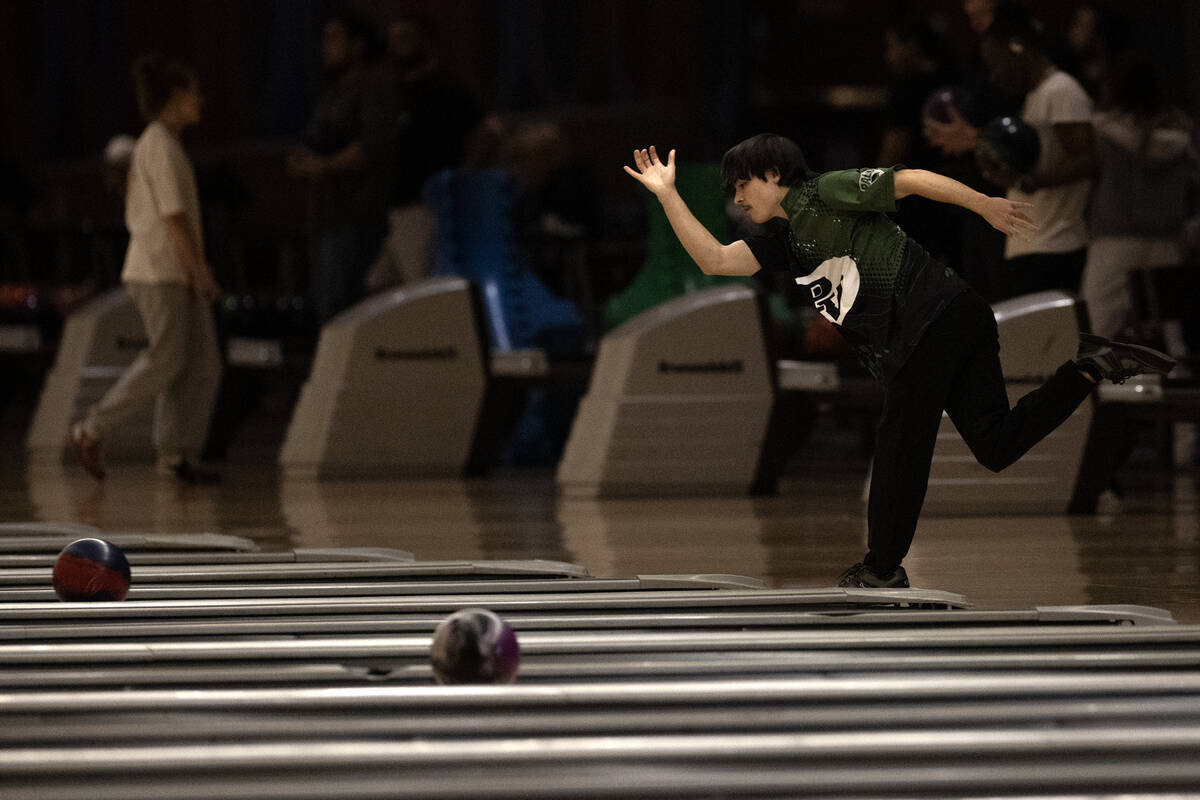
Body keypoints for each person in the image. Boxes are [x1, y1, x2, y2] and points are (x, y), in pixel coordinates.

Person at [623, 136, 1176, 587]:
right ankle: (1089, 368)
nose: (737, 198)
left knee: (900, 439)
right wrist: (668, 195)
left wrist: (983, 204)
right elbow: (715, 259)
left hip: (930, 318)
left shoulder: (824, 192)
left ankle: (882, 568)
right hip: (958, 317)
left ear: (771, 173)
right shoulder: (785, 242)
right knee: (995, 443)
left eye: (740, 184)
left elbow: (907, 180)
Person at [71, 53, 222, 484]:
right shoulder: (158, 145)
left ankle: (176, 454)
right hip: (160, 271)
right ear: (175, 97)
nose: (200, 100)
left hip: (171, 270)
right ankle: (92, 428)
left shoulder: (164, 144)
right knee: (166, 359)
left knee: (200, 364)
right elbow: (173, 219)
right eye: (193, 92)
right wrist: (200, 273)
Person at [975, 5, 1095, 299]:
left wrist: (1028, 181)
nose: (994, 75)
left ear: (1017, 48)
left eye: (995, 63)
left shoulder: (1061, 90)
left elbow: (1088, 162)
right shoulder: (1038, 94)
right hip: (1036, 245)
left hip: (1055, 244)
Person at [288, 11, 394, 321]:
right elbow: (314, 140)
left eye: (334, 38)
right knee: (325, 302)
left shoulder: (374, 85)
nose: (326, 47)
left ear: (357, 45)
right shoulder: (331, 94)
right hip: (324, 215)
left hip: (355, 215)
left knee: (342, 305)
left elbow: (373, 145)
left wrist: (323, 165)